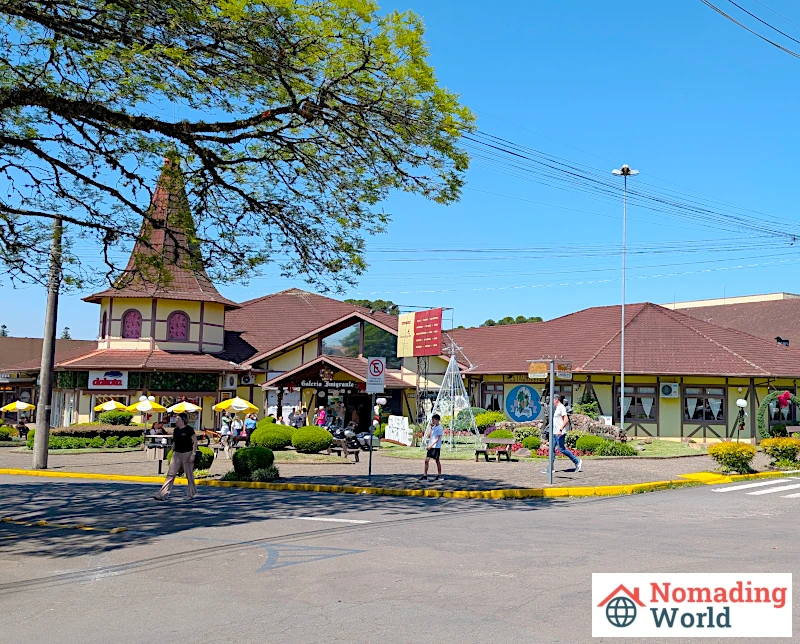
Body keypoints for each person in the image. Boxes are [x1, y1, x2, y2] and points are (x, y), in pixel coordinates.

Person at [153, 413, 197, 501]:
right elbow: (174, 442)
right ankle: (162, 494)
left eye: (177, 419)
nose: (175, 421)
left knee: (189, 475)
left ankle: (191, 493)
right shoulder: (176, 430)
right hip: (177, 453)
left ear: (183, 420)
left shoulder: (189, 429)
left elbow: (195, 442)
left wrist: (193, 454)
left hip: (187, 453)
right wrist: (171, 453)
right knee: (170, 474)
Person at [544, 394, 582, 474]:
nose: (551, 402)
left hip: (560, 433)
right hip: (555, 432)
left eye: (552, 400)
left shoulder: (561, 407)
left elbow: (566, 420)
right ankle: (550, 468)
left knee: (562, 449)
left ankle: (577, 461)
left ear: (556, 399)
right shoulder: (557, 408)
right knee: (551, 449)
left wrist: (560, 430)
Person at [420, 413, 444, 482]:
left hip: (436, 447)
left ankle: (439, 475)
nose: (432, 422)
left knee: (437, 461)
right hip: (431, 446)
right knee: (426, 460)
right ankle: (425, 476)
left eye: (433, 420)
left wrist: (431, 445)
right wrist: (430, 428)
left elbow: (438, 438)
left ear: (437, 420)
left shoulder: (440, 428)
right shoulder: (433, 427)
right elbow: (429, 436)